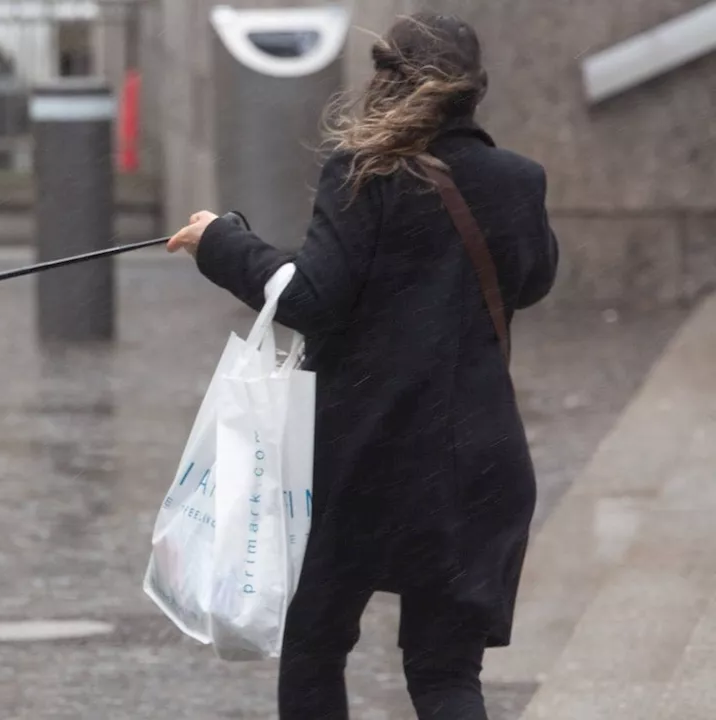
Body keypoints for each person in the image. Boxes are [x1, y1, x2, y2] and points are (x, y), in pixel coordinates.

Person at [167, 14, 558, 720]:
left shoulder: (364, 172)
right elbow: (532, 282)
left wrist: (221, 242)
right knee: (445, 674)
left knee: (315, 645)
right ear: (476, 92)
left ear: (384, 80)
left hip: (364, 458)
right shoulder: (517, 181)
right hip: (479, 460)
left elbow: (312, 296)